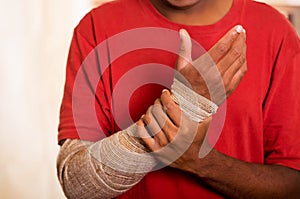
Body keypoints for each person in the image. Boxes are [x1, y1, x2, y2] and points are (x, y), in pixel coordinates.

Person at [57, 0, 300, 198]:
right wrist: (186, 105)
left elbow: (293, 185)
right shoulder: (97, 27)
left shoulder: (274, 32)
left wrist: (201, 162)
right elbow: (77, 183)